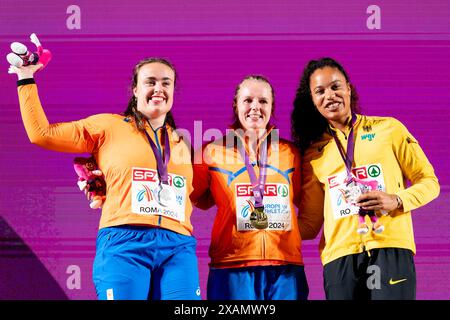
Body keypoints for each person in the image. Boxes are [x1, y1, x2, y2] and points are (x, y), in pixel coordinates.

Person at [9, 56, 201, 300]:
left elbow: (202, 194)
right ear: (135, 90)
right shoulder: (108, 127)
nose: (158, 89)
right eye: (150, 82)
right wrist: (25, 77)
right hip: (125, 242)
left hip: (178, 246)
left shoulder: (181, 142)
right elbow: (42, 134)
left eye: (166, 83)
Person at [290, 57, 440, 300]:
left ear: (349, 88)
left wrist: (397, 200)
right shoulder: (314, 154)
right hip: (339, 259)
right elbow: (311, 223)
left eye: (335, 86)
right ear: (313, 100)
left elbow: (429, 182)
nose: (329, 95)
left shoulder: (389, 129)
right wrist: (266, 228)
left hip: (389, 248)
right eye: (320, 91)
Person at [190, 75, 311, 300]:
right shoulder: (210, 152)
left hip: (285, 265)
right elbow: (193, 197)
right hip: (232, 266)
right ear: (236, 105)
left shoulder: (291, 153)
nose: (255, 107)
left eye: (263, 101)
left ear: (272, 107)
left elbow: (309, 203)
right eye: (248, 100)